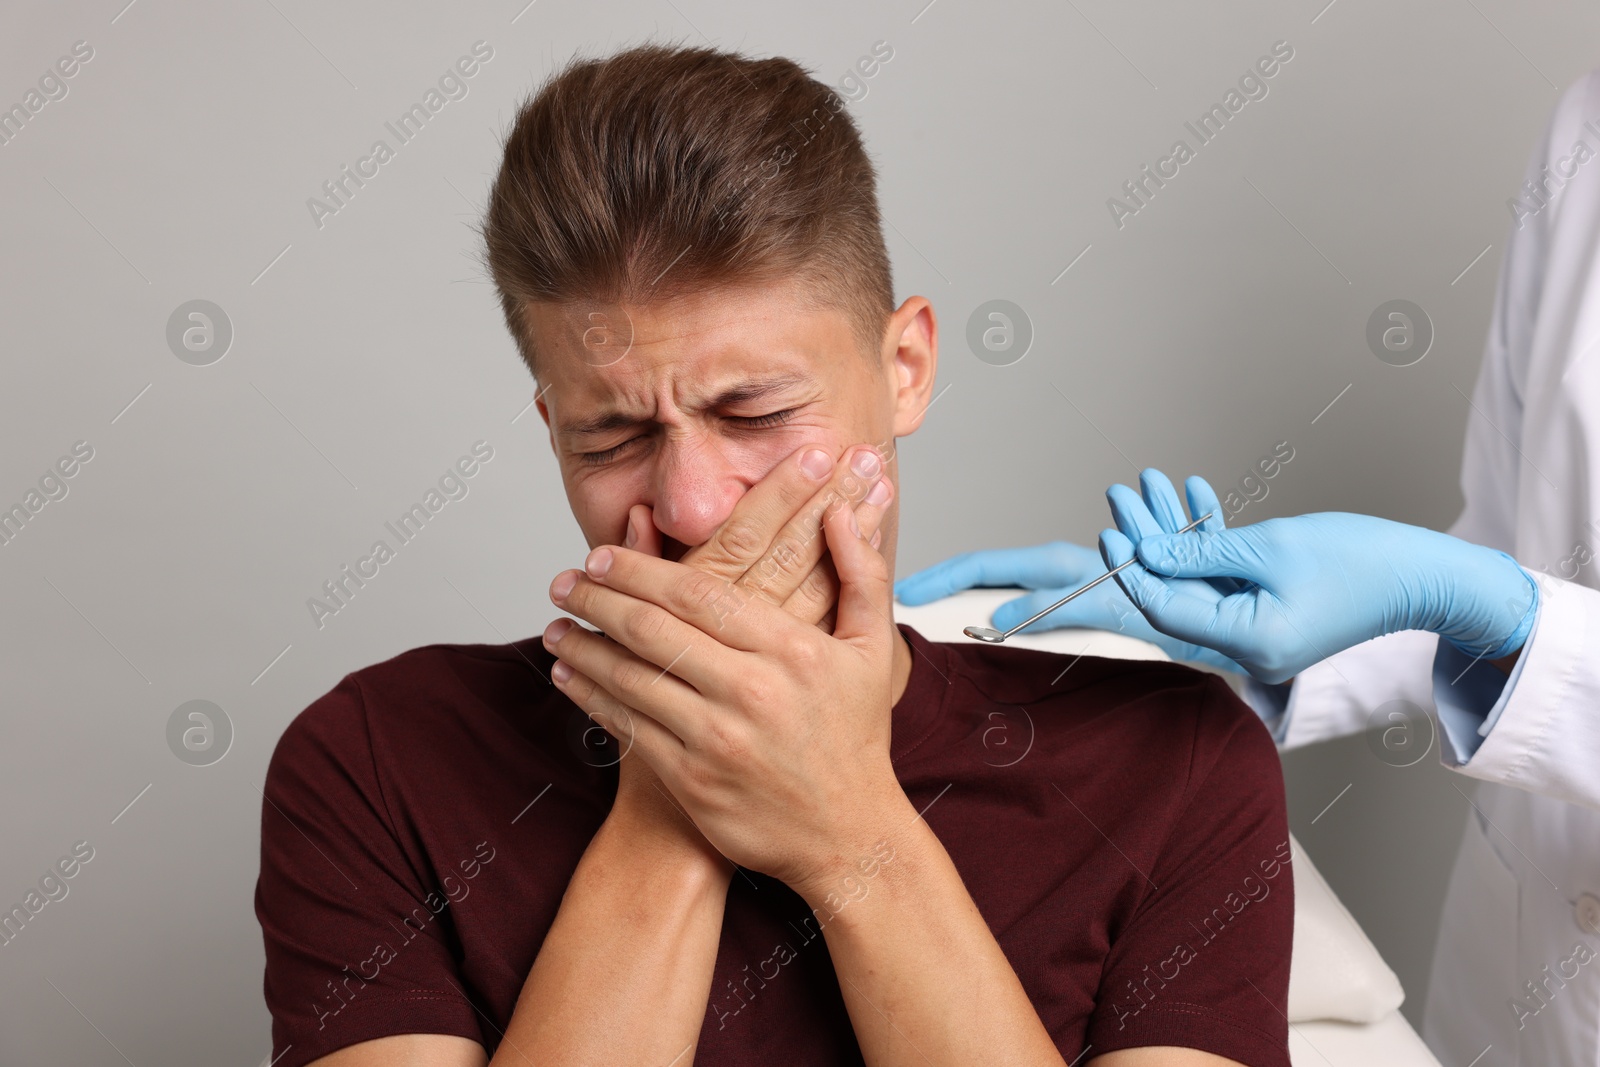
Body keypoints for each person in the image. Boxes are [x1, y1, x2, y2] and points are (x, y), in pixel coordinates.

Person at [254, 45, 1296, 1067]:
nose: (696, 504)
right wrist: (682, 772)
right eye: (611, 440)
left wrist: (850, 831)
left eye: (754, 409)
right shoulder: (378, 759)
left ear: (905, 370)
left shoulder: (1174, 764)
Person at [896, 66, 1600, 1067]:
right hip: (1516, 959)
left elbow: (1506, 604)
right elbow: (1510, 549)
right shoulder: (1587, 119)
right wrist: (1233, 632)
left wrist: (1502, 610)